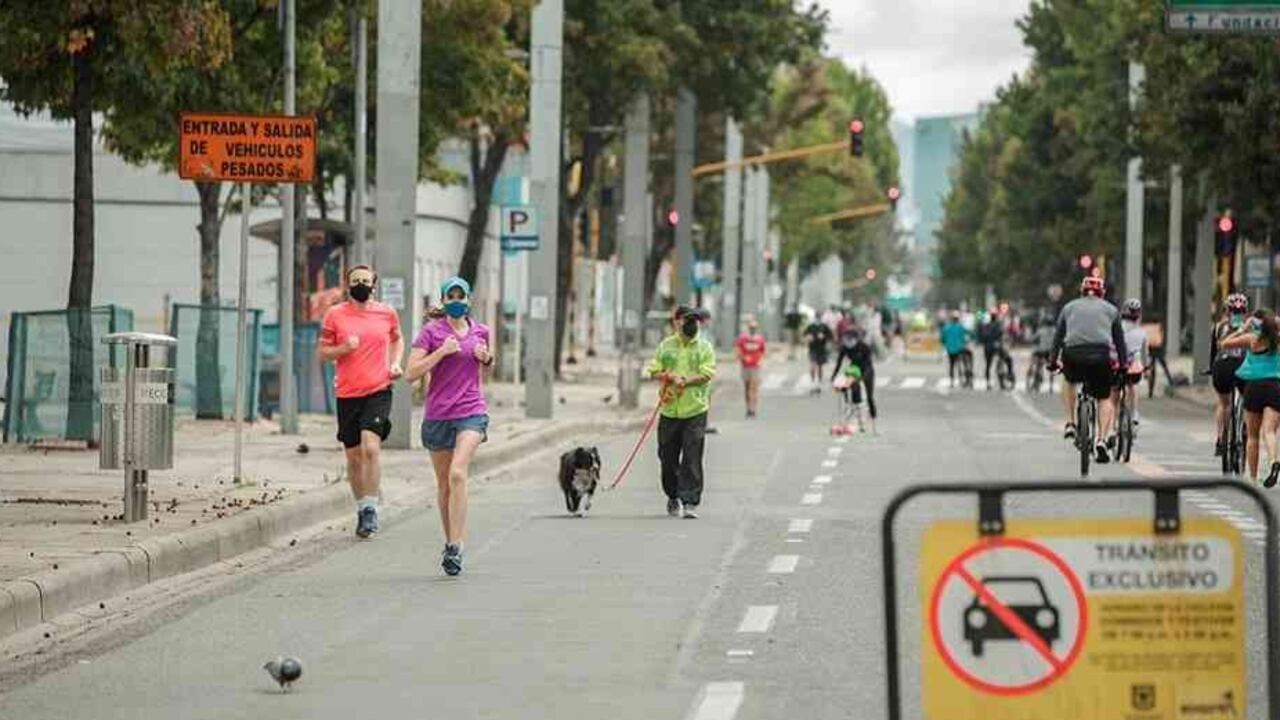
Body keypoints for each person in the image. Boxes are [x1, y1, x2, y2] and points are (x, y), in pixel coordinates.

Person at [405, 277, 494, 576]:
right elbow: (410, 373)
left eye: (461, 295)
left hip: (471, 412)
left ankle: (456, 545)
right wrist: (441, 352)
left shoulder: (481, 331)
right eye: (451, 296)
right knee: (444, 485)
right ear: (443, 301)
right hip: (438, 414)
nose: (456, 300)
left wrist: (487, 359)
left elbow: (485, 370)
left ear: (468, 299)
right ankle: (450, 542)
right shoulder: (431, 333)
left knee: (458, 473)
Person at [317, 265, 404, 538]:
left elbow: (397, 339)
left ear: (374, 285)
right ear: (348, 285)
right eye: (355, 281)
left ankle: (370, 508)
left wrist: (395, 363)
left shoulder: (387, 313)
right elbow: (322, 353)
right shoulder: (335, 315)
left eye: (365, 281)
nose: (361, 285)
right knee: (354, 457)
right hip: (347, 393)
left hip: (378, 389)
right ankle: (361, 506)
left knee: (371, 448)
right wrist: (344, 349)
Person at [646, 305, 716, 519]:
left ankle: (690, 501)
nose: (691, 324)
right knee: (667, 457)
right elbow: (653, 371)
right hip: (669, 410)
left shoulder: (704, 347)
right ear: (676, 322)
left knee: (692, 456)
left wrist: (686, 381)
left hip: (695, 409)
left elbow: (707, 373)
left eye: (695, 321)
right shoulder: (666, 346)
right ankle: (673, 494)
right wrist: (669, 377)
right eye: (687, 320)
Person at [1049, 276, 1127, 464]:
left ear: (1082, 292)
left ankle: (1070, 422)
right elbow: (1119, 342)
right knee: (1104, 397)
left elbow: (1058, 337)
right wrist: (1123, 365)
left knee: (1068, 380)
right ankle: (1101, 439)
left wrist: (1053, 361)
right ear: (1102, 293)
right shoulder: (1111, 310)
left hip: (1073, 355)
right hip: (1100, 356)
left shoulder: (1068, 308)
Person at [1219, 309, 1280, 486]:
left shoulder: (1252, 339)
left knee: (1252, 436)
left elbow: (1224, 343)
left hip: (1254, 387)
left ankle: (1252, 478)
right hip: (1275, 387)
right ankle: (1274, 461)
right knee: (1269, 431)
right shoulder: (1277, 339)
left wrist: (1242, 329)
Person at [1212, 293, 1250, 456]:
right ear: (1245, 311)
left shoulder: (1219, 327)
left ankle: (1220, 438)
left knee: (1223, 404)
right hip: (1243, 367)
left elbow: (1214, 352)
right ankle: (1245, 431)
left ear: (1227, 311)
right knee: (1248, 402)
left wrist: (1211, 369)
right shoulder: (1250, 327)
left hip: (1222, 367)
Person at [1112, 298, 1150, 442]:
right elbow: (1145, 356)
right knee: (1133, 387)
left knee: (1114, 391)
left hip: (1117, 366)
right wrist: (1146, 368)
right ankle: (1134, 415)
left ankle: (1113, 422)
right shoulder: (1142, 332)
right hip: (1134, 368)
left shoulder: (1116, 328)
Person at [831, 325, 878, 432]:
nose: (847, 342)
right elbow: (839, 363)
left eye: (850, 339)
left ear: (856, 339)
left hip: (867, 370)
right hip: (854, 369)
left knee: (870, 397)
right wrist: (834, 376)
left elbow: (868, 364)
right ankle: (853, 411)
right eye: (845, 339)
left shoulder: (864, 347)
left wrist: (861, 378)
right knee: (849, 388)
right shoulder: (844, 348)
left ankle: (873, 421)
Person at [735, 317, 767, 418]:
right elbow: (738, 350)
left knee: (754, 388)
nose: (753, 329)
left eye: (754, 327)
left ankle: (753, 409)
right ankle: (748, 408)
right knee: (747, 388)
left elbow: (763, 351)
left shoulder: (760, 339)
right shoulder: (742, 338)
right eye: (751, 327)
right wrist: (743, 357)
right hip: (745, 366)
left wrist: (760, 360)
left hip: (755, 367)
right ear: (748, 328)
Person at [804, 315, 834, 396]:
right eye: (816, 317)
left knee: (820, 366)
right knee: (813, 365)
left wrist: (824, 336)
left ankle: (819, 382)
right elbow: (805, 334)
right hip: (812, 348)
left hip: (821, 349)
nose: (817, 319)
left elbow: (830, 336)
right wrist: (808, 337)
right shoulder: (811, 326)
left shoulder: (824, 326)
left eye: (818, 317)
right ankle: (812, 382)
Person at [940, 311, 972, 387]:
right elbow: (969, 334)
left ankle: (952, 381)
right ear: (957, 319)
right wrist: (966, 342)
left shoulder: (946, 328)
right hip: (959, 349)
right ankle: (961, 380)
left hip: (950, 349)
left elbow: (942, 339)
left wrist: (945, 344)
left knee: (952, 365)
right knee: (960, 365)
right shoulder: (960, 327)